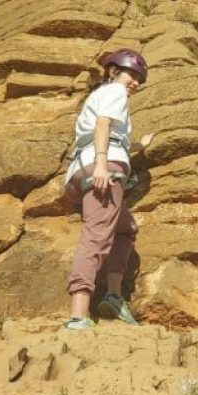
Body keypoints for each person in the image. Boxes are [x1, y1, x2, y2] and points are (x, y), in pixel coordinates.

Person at [63, 48, 152, 330]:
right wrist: (102, 164)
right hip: (103, 169)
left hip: (82, 169)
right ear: (114, 71)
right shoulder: (114, 92)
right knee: (96, 235)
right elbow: (103, 125)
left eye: (139, 77)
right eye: (131, 74)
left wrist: (138, 146)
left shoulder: (100, 95)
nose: (135, 81)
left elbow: (102, 132)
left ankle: (113, 295)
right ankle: (78, 315)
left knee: (125, 228)